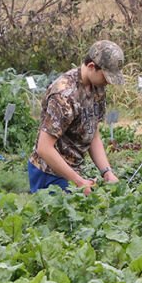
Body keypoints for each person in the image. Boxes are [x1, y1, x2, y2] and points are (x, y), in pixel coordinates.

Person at [26, 40, 125, 194]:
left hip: (72, 171)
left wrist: (107, 172)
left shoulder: (97, 88)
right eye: (106, 77)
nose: (108, 83)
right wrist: (79, 182)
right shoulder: (64, 95)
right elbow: (44, 148)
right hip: (49, 172)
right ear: (92, 67)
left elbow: (93, 134)